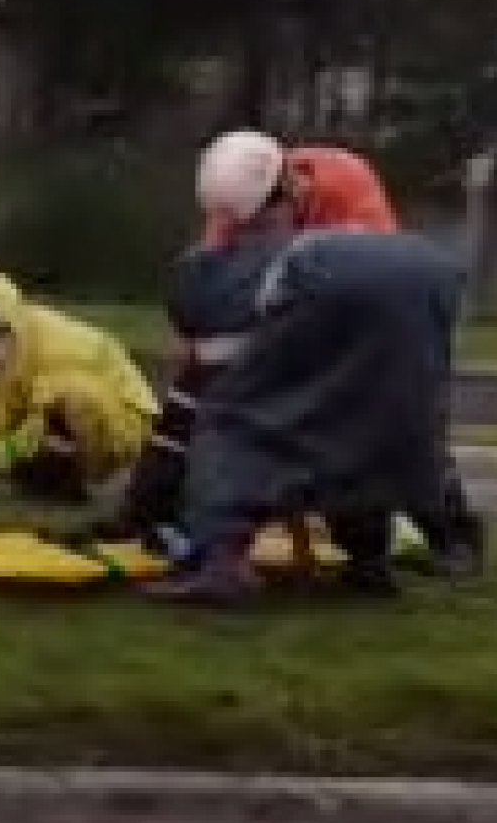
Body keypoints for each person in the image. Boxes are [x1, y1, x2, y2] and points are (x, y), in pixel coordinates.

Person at [111, 130, 402, 548]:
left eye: (262, 221)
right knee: (194, 397)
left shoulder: (350, 189)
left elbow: (376, 286)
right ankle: (144, 514)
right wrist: (202, 360)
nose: (254, 233)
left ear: (289, 188)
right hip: (278, 318)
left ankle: (400, 540)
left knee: (360, 417)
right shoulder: (237, 206)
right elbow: (218, 286)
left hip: (360, 321)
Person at [151, 223, 468, 605]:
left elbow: (237, 357)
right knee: (365, 424)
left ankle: (222, 564)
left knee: (227, 422)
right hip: (424, 275)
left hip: (330, 275)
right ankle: (370, 562)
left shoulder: (232, 275)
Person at [0, 261, 157, 502]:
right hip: (72, 417)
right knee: (6, 444)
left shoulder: (58, 350)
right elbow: (2, 403)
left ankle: (91, 479)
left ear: (8, 323)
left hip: (126, 424)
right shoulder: (18, 340)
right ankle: (61, 468)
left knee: (71, 396)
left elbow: (39, 428)